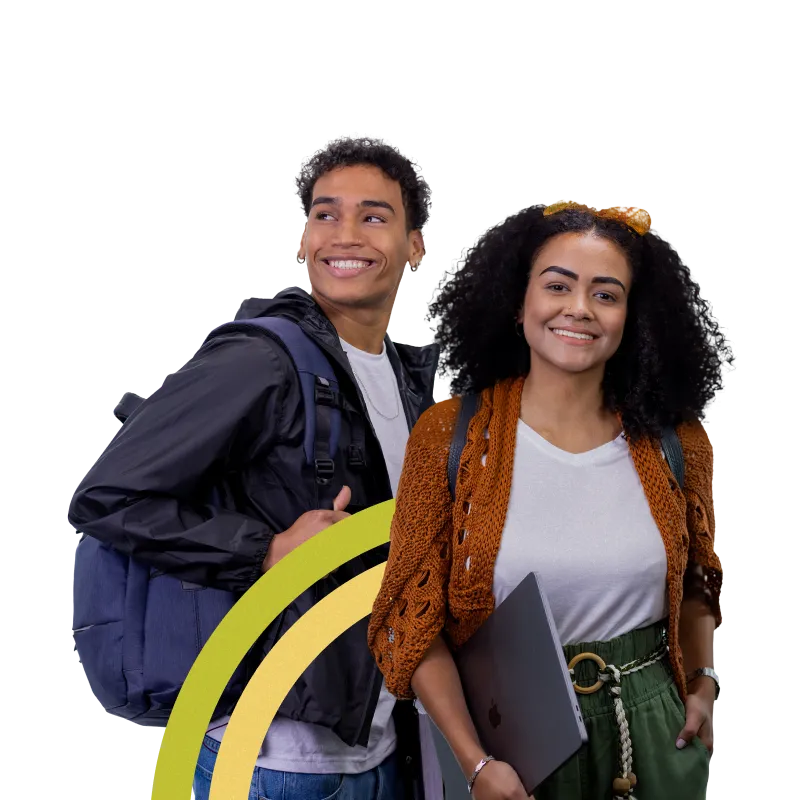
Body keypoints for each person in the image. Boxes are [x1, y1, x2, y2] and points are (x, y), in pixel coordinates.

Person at [68, 134, 439, 800]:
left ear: (416, 247)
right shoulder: (260, 361)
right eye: (325, 214)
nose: (343, 234)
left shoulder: (405, 380)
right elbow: (108, 496)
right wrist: (265, 549)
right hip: (270, 762)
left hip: (378, 749)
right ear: (302, 241)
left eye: (373, 216)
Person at [367, 200, 732, 800]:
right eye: (557, 285)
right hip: (515, 743)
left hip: (653, 727)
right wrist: (475, 764)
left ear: (632, 316)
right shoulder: (448, 436)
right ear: (519, 302)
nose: (579, 309)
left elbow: (696, 583)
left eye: (606, 294)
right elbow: (411, 620)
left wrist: (704, 682)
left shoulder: (678, 440)